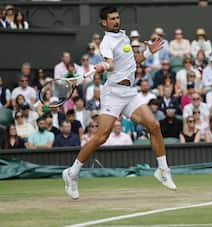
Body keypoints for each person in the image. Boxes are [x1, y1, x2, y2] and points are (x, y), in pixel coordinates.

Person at [62, 6, 177, 200]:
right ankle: (72, 173)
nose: (116, 21)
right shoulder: (106, 42)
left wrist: (149, 52)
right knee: (101, 137)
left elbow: (134, 60)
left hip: (130, 92)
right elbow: (110, 63)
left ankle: (163, 170)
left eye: (117, 18)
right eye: (112, 19)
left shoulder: (123, 37)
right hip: (113, 94)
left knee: (154, 125)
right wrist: (102, 66)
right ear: (104, 23)